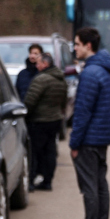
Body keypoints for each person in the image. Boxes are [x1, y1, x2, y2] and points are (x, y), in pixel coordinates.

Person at [67, 27, 110, 219]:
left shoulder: (89, 73)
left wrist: (74, 143)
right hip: (102, 138)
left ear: (88, 46)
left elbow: (82, 112)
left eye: (77, 44)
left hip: (88, 140)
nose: (74, 48)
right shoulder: (105, 71)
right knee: (100, 184)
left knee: (89, 187)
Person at [23, 52, 68, 192]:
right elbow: (64, 101)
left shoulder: (41, 79)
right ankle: (47, 181)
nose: (36, 66)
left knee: (34, 153)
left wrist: (24, 115)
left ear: (45, 64)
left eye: (38, 63)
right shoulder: (61, 79)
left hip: (39, 121)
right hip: (55, 120)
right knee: (50, 151)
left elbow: (30, 101)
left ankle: (31, 182)